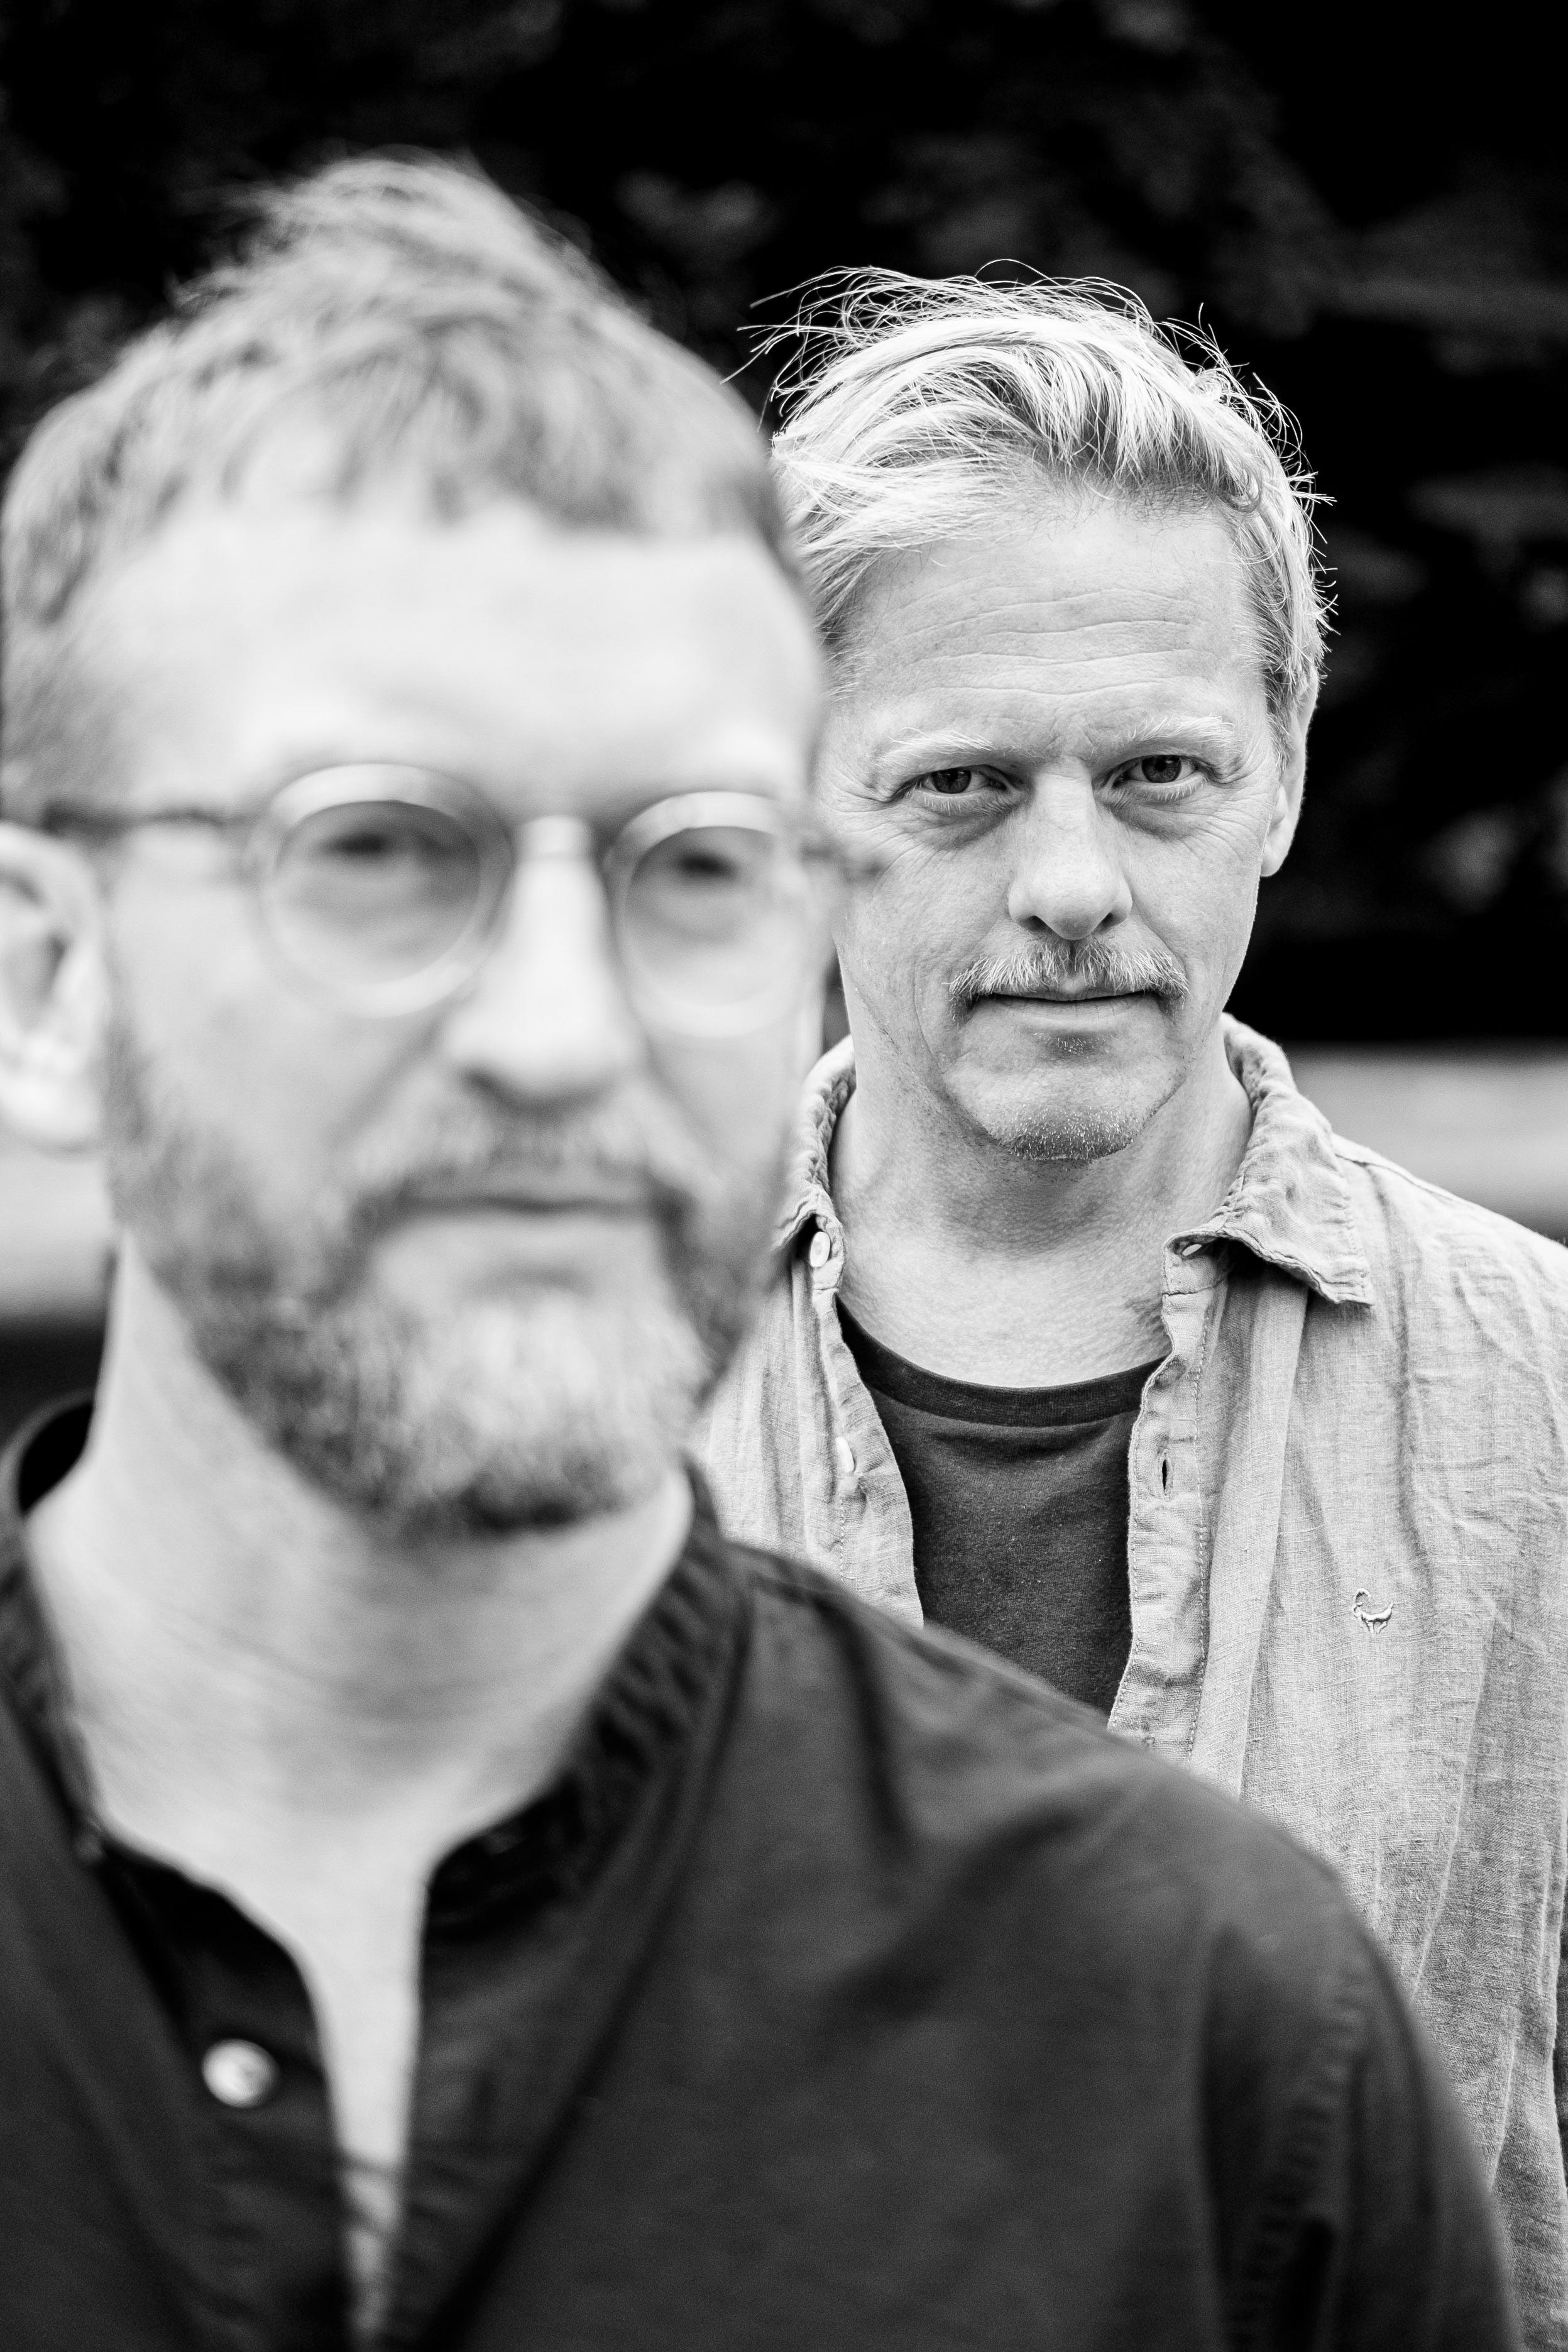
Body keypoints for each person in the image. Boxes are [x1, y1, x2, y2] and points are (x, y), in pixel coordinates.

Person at [0, 160, 1515, 2352]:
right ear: (51, 979)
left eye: (690, 865)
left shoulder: (1228, 2020)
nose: (559, 1027)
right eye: (379, 852)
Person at [695, 270, 1568, 2341]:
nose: (1074, 885)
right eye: (962, 784)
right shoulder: (560, 1405)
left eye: (1161, 772)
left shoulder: (1548, 1410)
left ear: (1282, 774)